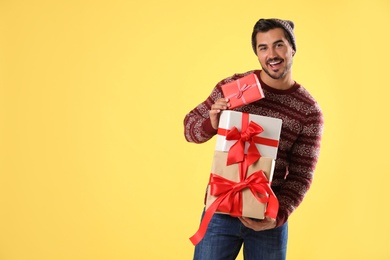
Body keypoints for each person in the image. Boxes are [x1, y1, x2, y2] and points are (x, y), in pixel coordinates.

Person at [184, 18, 323, 260]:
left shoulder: (309, 111)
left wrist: (277, 216)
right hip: (220, 209)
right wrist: (212, 122)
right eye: (263, 47)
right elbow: (189, 129)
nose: (272, 54)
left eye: (279, 45)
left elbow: (302, 175)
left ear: (292, 48)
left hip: (268, 219)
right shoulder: (234, 87)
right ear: (257, 54)